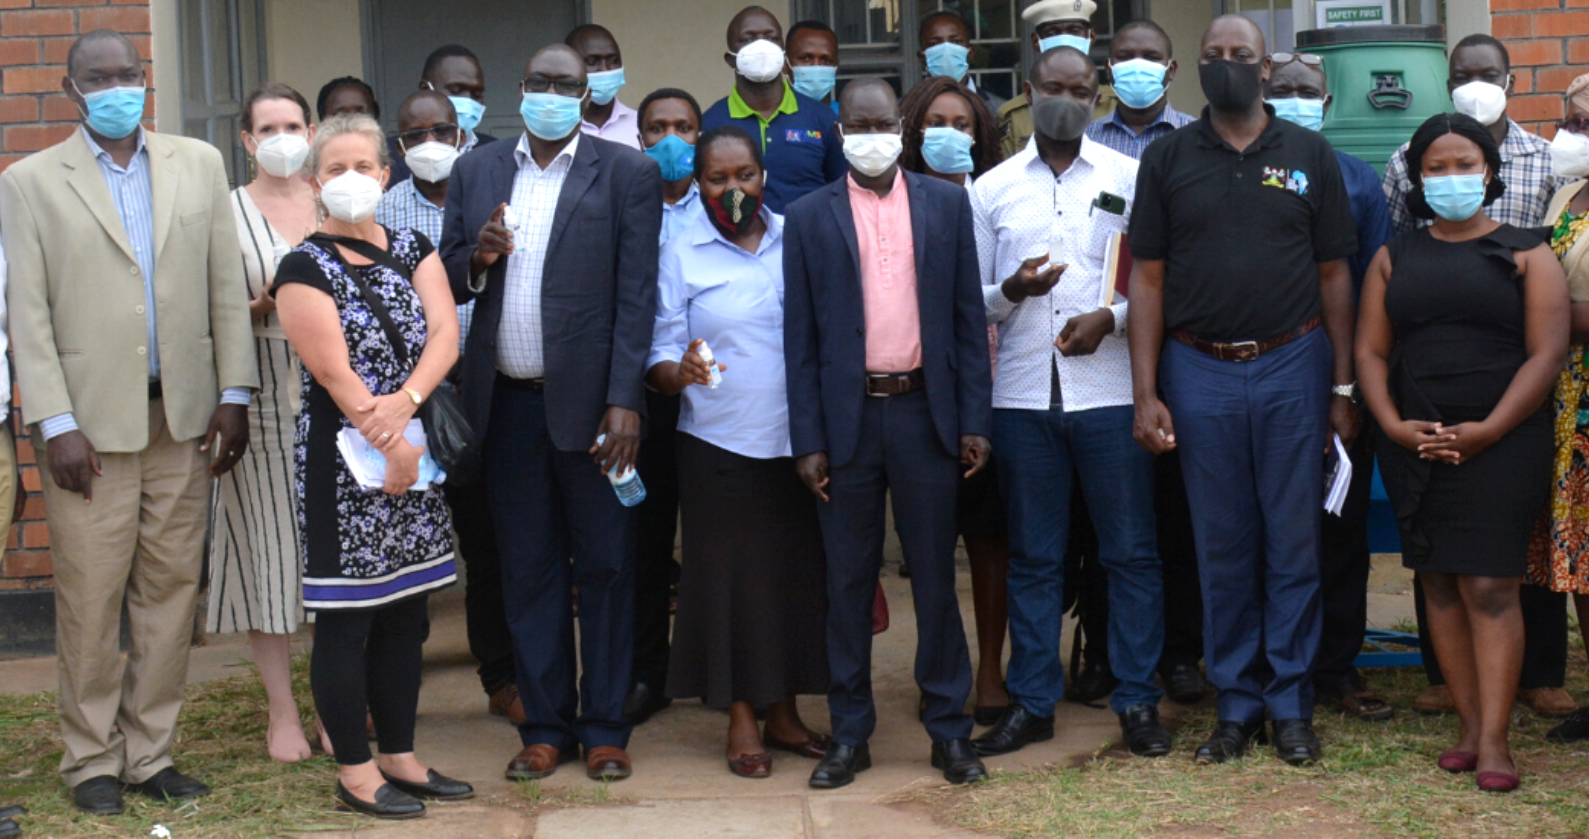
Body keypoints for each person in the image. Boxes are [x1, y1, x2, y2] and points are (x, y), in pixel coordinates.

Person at [0, 29, 257, 815]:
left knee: (171, 590)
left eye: (129, 73)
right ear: (72, 89)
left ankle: (151, 750)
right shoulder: (31, 181)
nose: (119, 87)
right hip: (89, 434)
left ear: (145, 78)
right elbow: (29, 314)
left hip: (179, 416)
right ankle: (89, 760)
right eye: (99, 77)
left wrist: (235, 392)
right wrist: (53, 419)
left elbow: (224, 284)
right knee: (89, 596)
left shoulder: (199, 163)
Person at [1127, 16, 1358, 766]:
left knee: (1291, 540)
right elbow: (1147, 276)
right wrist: (1144, 391)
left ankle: (1289, 703)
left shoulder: (1310, 154)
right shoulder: (1165, 158)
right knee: (1220, 542)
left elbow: (1334, 275)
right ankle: (1235, 703)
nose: (1228, 65)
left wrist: (1342, 384)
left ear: (1266, 69)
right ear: (1197, 67)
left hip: (1293, 363)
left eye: (1241, 56)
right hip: (1198, 369)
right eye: (1214, 56)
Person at [440, 44, 662, 783]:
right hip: (506, 407)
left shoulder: (625, 171)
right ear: (521, 88)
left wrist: (626, 399)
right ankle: (544, 725)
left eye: (567, 85)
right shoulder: (476, 170)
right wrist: (477, 256)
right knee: (526, 572)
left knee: (604, 567)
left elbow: (637, 297)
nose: (552, 95)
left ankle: (603, 727)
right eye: (540, 83)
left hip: (597, 413)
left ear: (584, 94)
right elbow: (442, 276)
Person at [784, 78, 993, 789]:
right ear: (840, 131)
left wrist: (973, 420)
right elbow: (800, 339)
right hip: (844, 423)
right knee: (846, 583)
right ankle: (850, 732)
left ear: (899, 128)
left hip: (924, 415)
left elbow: (968, 322)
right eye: (856, 124)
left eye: (881, 122)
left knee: (934, 578)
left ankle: (948, 729)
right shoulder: (807, 217)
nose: (869, 134)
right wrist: (806, 438)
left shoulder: (944, 204)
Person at [964, 46, 1167, 760]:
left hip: (1110, 392)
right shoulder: (987, 190)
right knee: (1033, 557)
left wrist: (1108, 319)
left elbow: (1149, 281)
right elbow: (971, 304)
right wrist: (1010, 292)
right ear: (1026, 92)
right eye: (1053, 87)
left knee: (1130, 553)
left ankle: (1138, 701)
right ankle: (1031, 702)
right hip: (1021, 395)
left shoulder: (1132, 179)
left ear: (1097, 99)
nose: (1066, 99)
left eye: (1080, 90)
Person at [1359, 112, 1568, 793]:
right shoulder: (1393, 255)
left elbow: (1545, 354)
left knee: (1488, 583)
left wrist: (1490, 427)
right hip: (1413, 437)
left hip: (1504, 439)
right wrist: (1390, 423)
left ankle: (1498, 742)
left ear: (1489, 172)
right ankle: (1470, 728)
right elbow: (1369, 349)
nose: (1452, 177)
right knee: (1439, 580)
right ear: (1417, 179)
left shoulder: (1526, 252)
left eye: (1465, 165)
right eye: (1436, 167)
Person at [272, 113, 470, 819]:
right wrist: (389, 439)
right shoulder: (302, 266)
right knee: (348, 618)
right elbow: (333, 373)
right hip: (342, 467)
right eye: (335, 169)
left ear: (385, 176)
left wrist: (409, 406)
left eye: (364, 166)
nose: (350, 180)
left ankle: (400, 753)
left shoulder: (413, 245)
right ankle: (354, 770)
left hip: (411, 458)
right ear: (312, 180)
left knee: (404, 614)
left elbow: (444, 330)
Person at [650, 125, 831, 778]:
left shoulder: (797, 238)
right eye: (718, 179)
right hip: (717, 442)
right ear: (698, 184)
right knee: (728, 586)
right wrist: (680, 373)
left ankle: (783, 710)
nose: (734, 189)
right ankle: (741, 717)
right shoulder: (680, 249)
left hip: (799, 444)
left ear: (764, 176)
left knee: (788, 579)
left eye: (745, 175)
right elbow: (659, 347)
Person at [376, 89, 525, 728]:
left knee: (491, 541)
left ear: (464, 135)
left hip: (487, 391)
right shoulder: (381, 212)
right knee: (404, 542)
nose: (430, 142)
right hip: (413, 399)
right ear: (398, 143)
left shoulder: (486, 191)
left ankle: (502, 676)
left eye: (443, 130)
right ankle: (391, 689)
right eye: (415, 134)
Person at [1074, 16, 1204, 709]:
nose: (1135, 66)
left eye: (1148, 56)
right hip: (1097, 361)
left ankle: (1180, 652)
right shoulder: (1085, 142)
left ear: (1170, 67)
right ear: (1106, 66)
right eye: (1123, 56)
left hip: (1179, 350)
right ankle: (1103, 650)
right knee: (1106, 522)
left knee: (1175, 512)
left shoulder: (1195, 141)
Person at [1265, 52, 1397, 723]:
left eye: (1306, 91)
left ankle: (1336, 668)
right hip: (1262, 374)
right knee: (1268, 530)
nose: (1294, 99)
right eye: (1282, 89)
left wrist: (1349, 388)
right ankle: (1274, 664)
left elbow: (1374, 283)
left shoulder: (1356, 179)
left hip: (1340, 375)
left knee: (1338, 531)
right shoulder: (1249, 171)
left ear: (1326, 99)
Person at [205, 83, 319, 764]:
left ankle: (343, 700)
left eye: (292, 124)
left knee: (337, 552)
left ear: (310, 131)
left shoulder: (337, 195)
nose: (281, 136)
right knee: (269, 547)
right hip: (260, 394)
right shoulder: (224, 212)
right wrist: (263, 303)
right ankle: (283, 710)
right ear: (246, 140)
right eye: (266, 127)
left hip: (338, 394)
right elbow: (208, 307)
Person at [898, 74, 1007, 721]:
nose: (949, 134)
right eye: (935, 123)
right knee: (930, 549)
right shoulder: (895, 202)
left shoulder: (993, 198)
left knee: (990, 541)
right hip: (919, 402)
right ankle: (939, 669)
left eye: (962, 124)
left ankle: (991, 671)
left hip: (990, 391)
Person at [624, 87, 706, 726]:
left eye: (683, 127)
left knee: (713, 541)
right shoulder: (623, 205)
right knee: (645, 545)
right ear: (640, 138)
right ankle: (647, 673)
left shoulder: (731, 204)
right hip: (645, 403)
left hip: (714, 400)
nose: (670, 139)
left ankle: (713, 669)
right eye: (657, 128)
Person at [1530, 75, 1589, 744]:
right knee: (1577, 551)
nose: (1573, 137)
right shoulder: (1566, 196)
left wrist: (1557, 318)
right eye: (1570, 123)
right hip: (1569, 397)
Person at [702, 5, 846, 212]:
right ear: (731, 59)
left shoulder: (823, 118)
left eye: (771, 38)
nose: (762, 48)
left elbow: (842, 189)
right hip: (736, 242)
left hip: (809, 242)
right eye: (748, 39)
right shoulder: (711, 124)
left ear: (784, 53)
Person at [996, 0, 1114, 160]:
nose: (1064, 39)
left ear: (1091, 36)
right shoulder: (1015, 115)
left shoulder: (1115, 106)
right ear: (1036, 41)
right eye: (1052, 33)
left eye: (1074, 31)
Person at [389, 45, 499, 185]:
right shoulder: (387, 157)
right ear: (425, 89)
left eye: (477, 94)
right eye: (456, 90)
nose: (468, 101)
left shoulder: (496, 153)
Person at [569, 24, 640, 150]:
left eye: (613, 60)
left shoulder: (640, 125)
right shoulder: (556, 129)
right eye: (592, 61)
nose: (605, 69)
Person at [919, 9, 1006, 112]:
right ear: (922, 57)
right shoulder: (902, 110)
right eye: (935, 44)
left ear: (970, 53)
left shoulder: (1000, 110)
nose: (947, 50)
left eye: (956, 41)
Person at [785, 20, 839, 113]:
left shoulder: (849, 117)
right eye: (806, 58)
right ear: (784, 64)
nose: (816, 67)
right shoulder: (769, 116)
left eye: (826, 60)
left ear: (836, 67)